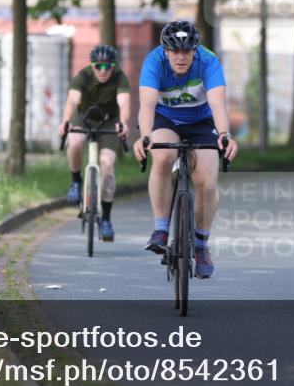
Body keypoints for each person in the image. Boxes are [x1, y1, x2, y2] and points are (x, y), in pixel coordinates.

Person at [133, 21, 239, 279]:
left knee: (207, 179)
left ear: (195, 50)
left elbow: (217, 105)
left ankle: (201, 245)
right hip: (164, 119)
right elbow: (146, 105)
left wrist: (224, 135)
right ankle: (160, 229)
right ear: (165, 51)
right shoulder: (153, 62)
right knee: (163, 154)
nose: (181, 57)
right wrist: (145, 137)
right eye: (175, 51)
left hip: (201, 121)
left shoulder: (209, 61)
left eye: (187, 51)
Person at [58, 45, 130, 241]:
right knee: (75, 142)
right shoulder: (83, 76)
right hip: (84, 118)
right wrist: (66, 120)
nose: (104, 70)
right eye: (99, 66)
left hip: (110, 122)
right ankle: (75, 181)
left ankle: (106, 219)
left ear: (113, 66)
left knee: (107, 164)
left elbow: (124, 101)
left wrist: (123, 122)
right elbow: (73, 100)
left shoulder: (119, 77)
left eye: (108, 66)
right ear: (93, 66)